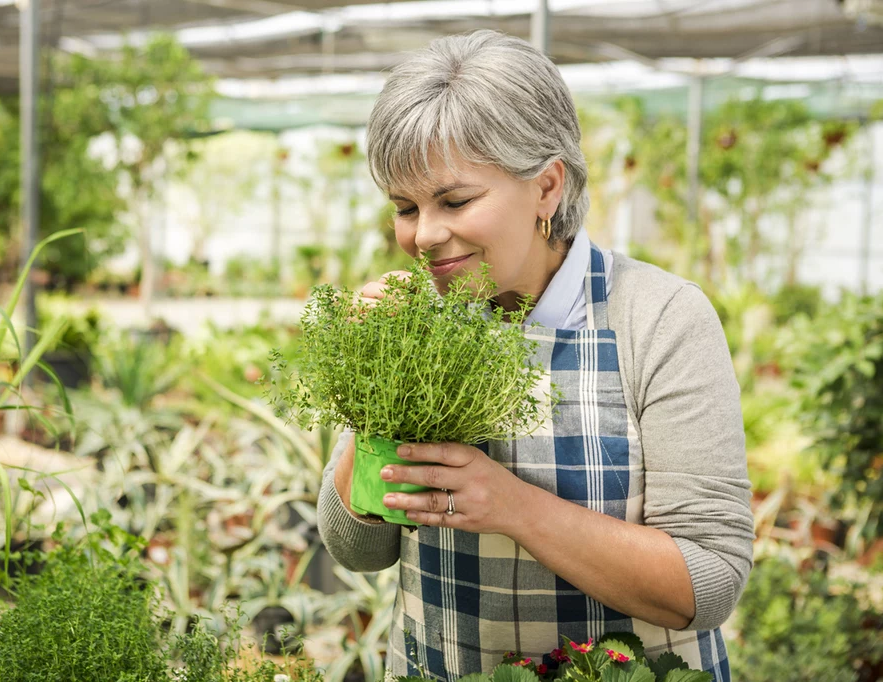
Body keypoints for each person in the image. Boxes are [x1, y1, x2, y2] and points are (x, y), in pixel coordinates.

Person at [316, 30, 754, 682]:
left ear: (547, 187)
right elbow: (357, 547)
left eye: (455, 200)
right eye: (406, 207)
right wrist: (371, 390)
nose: (425, 235)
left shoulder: (659, 318)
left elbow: (709, 582)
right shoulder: (418, 324)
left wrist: (511, 506)